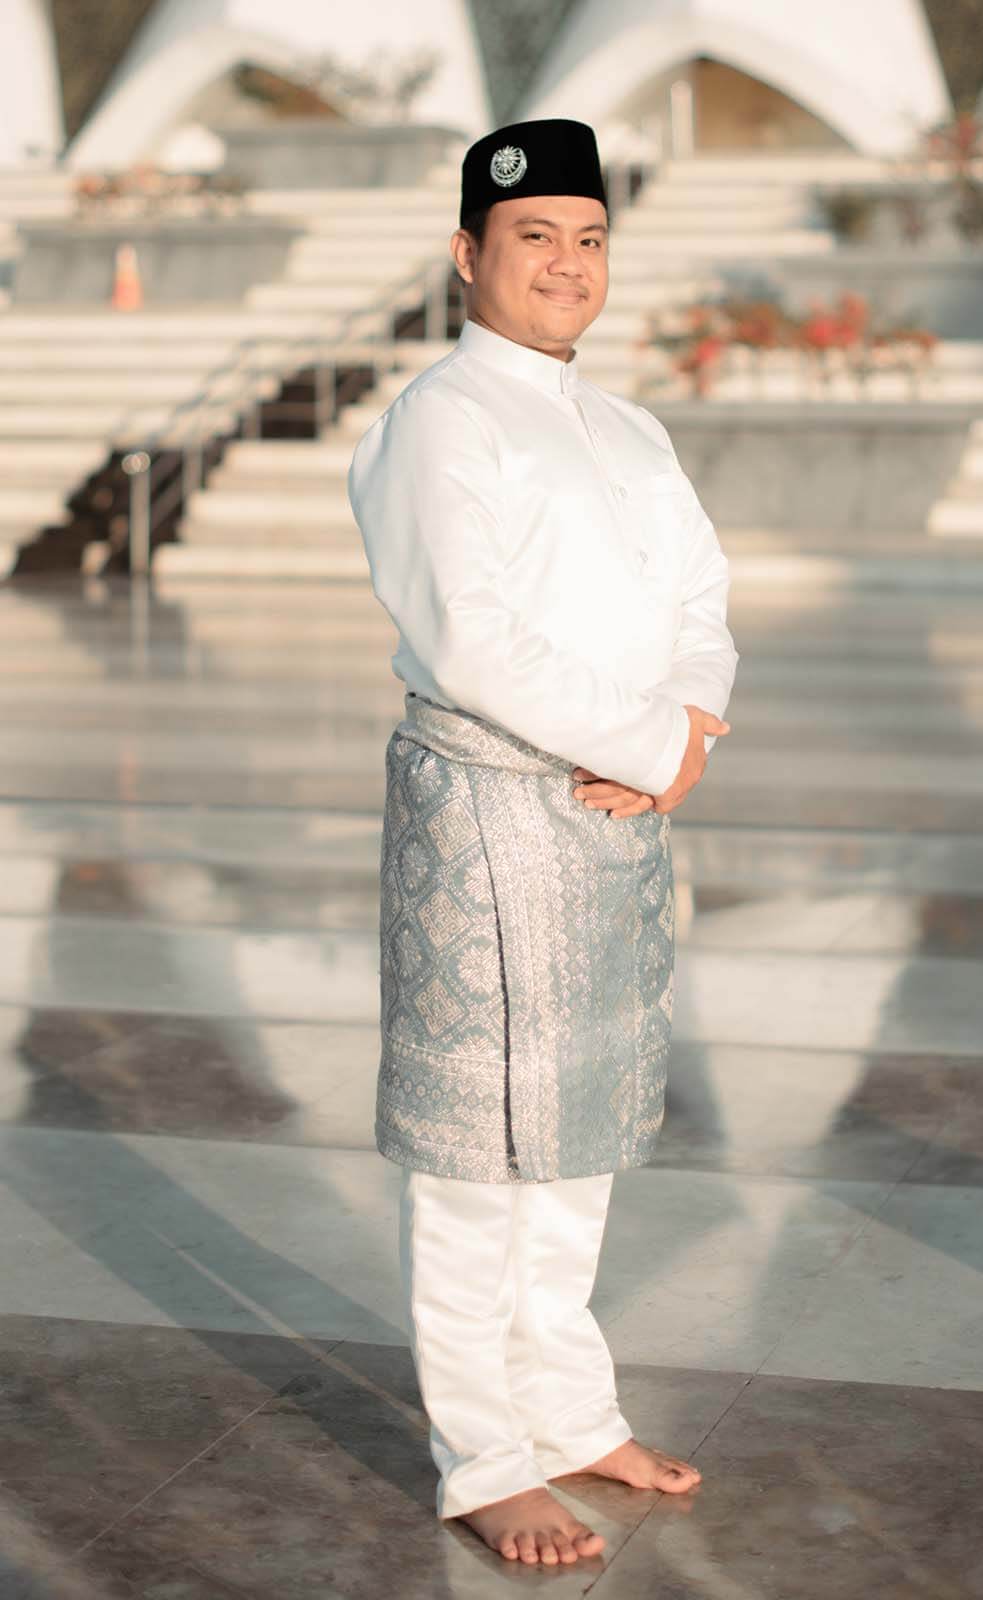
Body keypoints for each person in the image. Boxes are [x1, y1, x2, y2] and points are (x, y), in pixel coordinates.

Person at [346, 116, 738, 1567]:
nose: (566, 264)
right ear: (468, 253)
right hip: (487, 819)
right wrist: (646, 744)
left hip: (617, 818)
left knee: (577, 1142)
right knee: (474, 1160)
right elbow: (469, 639)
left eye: (587, 238)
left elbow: (701, 598)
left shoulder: (630, 428)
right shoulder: (438, 420)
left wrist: (689, 730)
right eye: (533, 238)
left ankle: (569, 1414)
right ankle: (483, 1459)